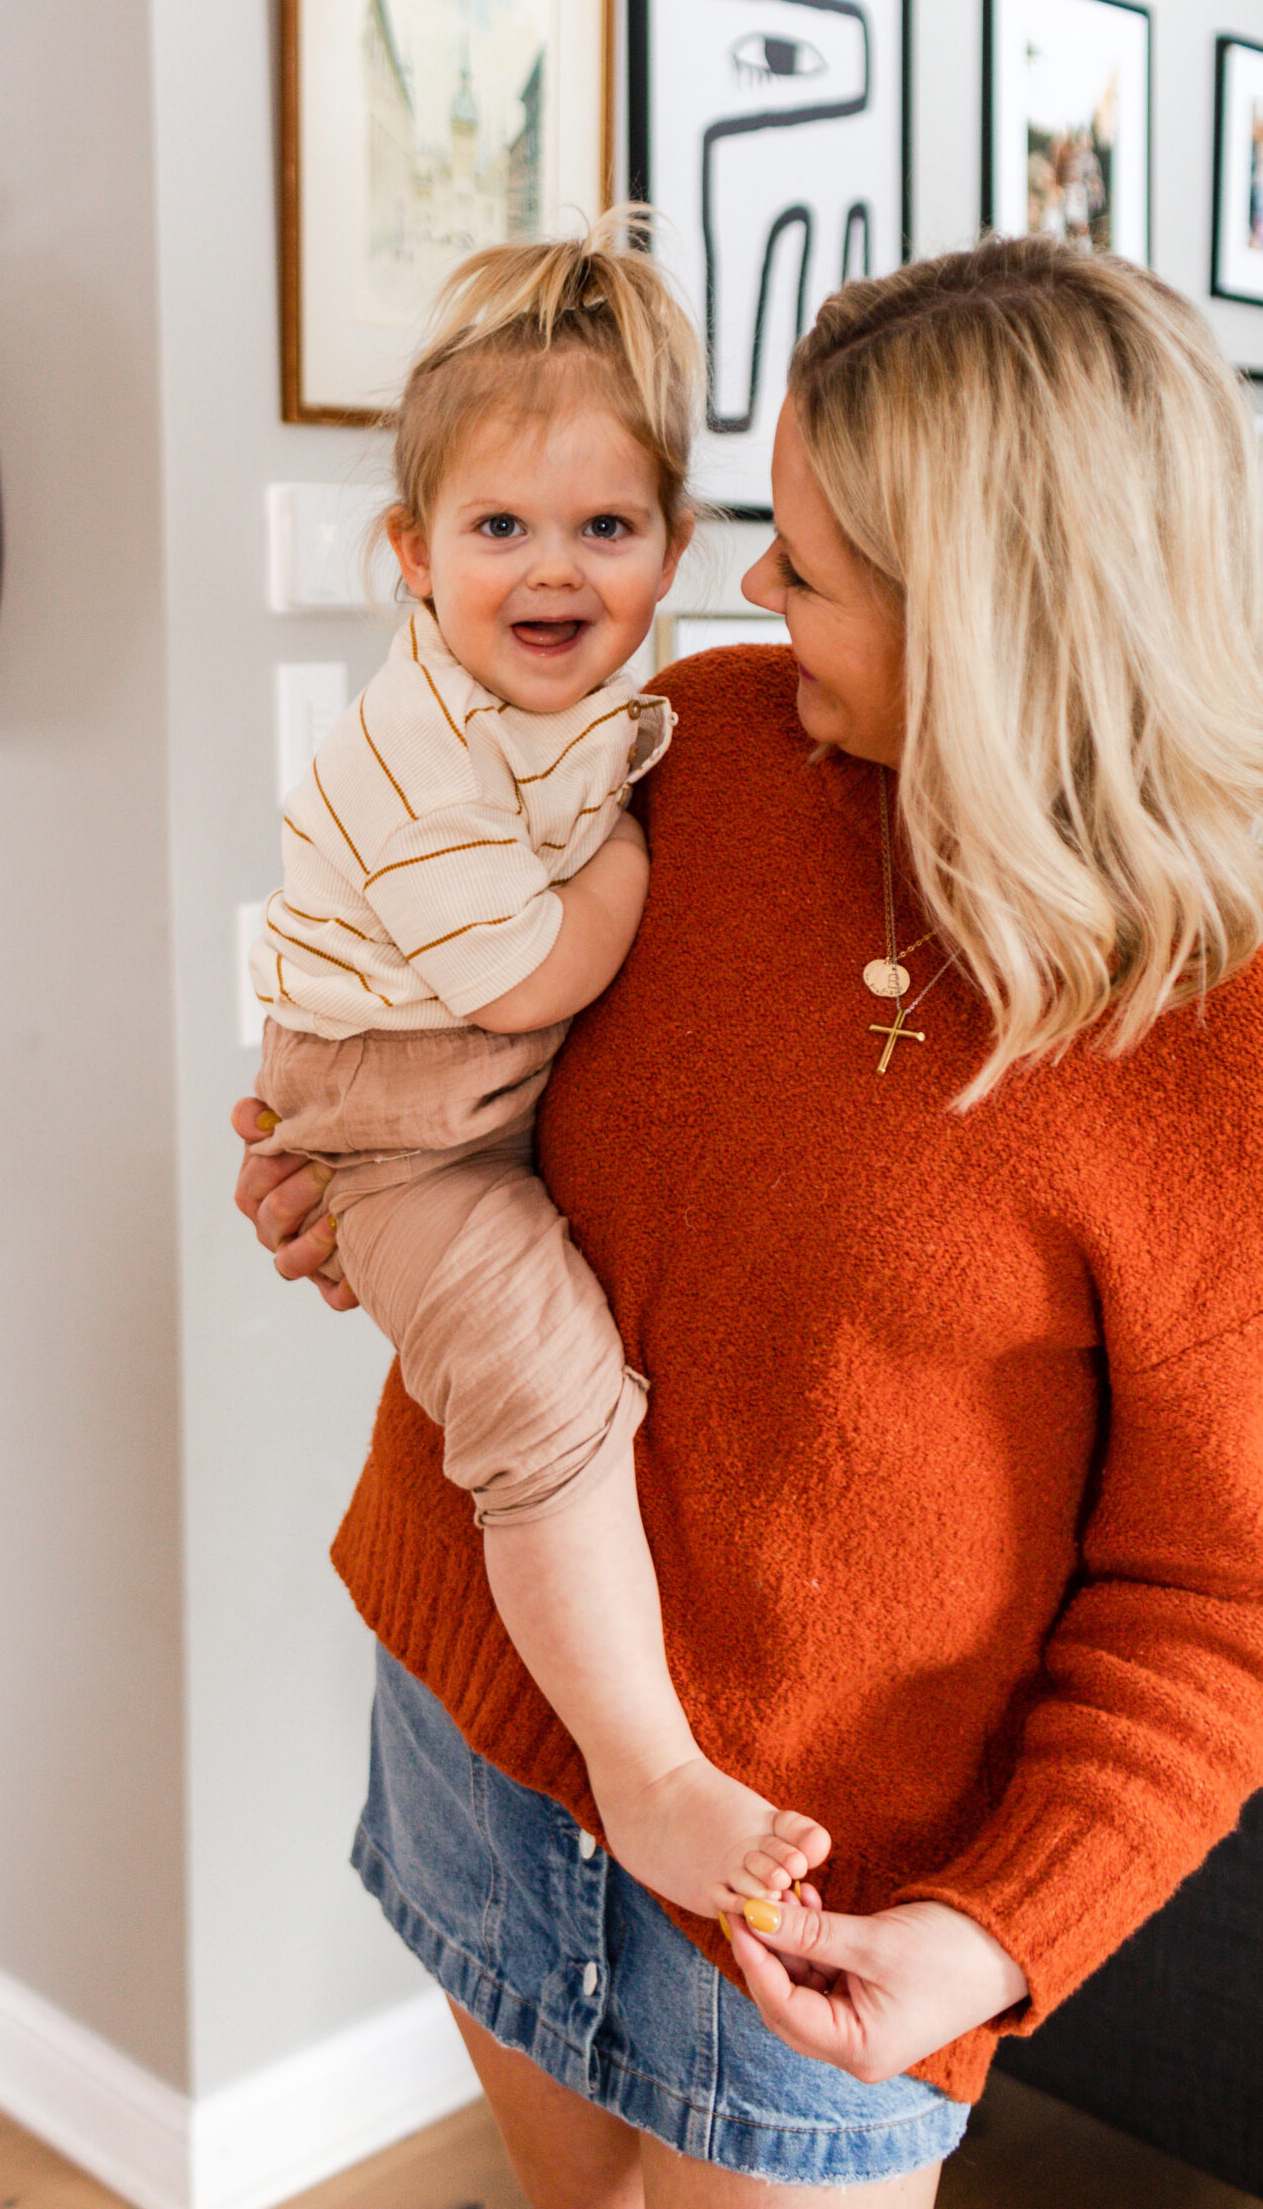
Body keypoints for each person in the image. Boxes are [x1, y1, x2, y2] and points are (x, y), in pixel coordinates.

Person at [236, 232, 1263, 2204]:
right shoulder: (683, 750)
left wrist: (986, 1931)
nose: (741, 589)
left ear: (992, 609)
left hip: (828, 1901)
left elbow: (1213, 1611)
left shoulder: (1213, 1035)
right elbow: (512, 1146)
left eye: (803, 560)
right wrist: (332, 1181)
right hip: (485, 1726)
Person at [249, 222, 829, 1925]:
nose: (554, 570)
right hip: (403, 1131)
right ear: (412, 556)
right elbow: (535, 972)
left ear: (676, 548)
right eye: (500, 528)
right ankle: (646, 1766)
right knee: (541, 1393)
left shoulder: (602, 712)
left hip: (452, 1098)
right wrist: (636, 870)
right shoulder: (415, 745)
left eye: (607, 528)